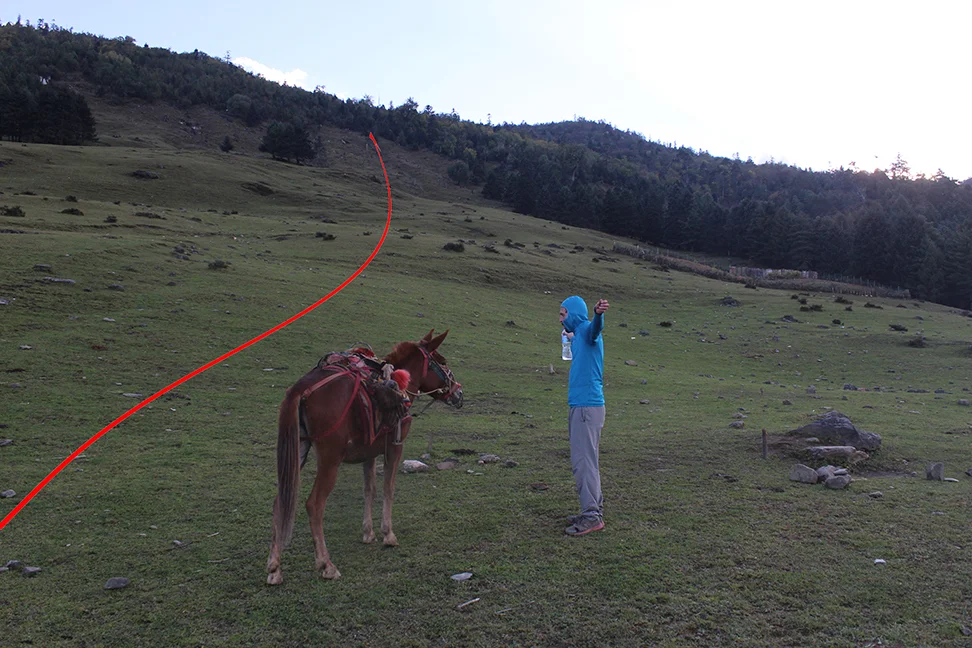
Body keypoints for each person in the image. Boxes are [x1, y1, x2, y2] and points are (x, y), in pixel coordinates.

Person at [559, 295, 610, 536]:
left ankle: (591, 516)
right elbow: (577, 336)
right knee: (587, 460)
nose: (560, 319)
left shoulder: (589, 331)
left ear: (575, 314)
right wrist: (570, 336)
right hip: (582, 406)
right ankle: (592, 509)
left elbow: (595, 330)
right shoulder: (577, 335)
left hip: (586, 408)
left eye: (563, 314)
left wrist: (598, 314)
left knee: (583, 462)